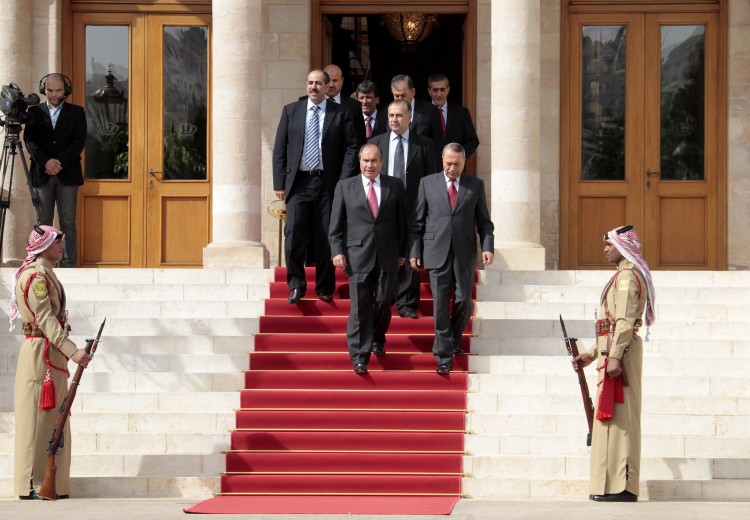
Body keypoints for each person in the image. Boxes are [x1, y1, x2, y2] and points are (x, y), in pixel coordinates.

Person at [572, 225, 656, 503]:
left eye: (609, 244)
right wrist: (593, 354)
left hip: (622, 355)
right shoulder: (621, 275)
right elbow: (611, 326)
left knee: (621, 421)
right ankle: (610, 485)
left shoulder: (626, 278)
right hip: (613, 353)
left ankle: (622, 486)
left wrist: (615, 357)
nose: (605, 249)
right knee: (611, 419)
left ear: (620, 246)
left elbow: (623, 322)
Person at [11, 225, 92, 499]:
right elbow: (45, 319)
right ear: (43, 245)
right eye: (58, 242)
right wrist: (73, 351)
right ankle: (30, 484)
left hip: (49, 352)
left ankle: (53, 484)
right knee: (36, 422)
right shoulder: (37, 277)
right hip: (39, 353)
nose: (62, 247)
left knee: (54, 420)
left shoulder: (46, 274)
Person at [272, 69, 358, 304]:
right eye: (310, 82)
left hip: (328, 184)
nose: (313, 87)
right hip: (298, 183)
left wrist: (344, 180)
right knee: (294, 236)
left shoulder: (341, 113)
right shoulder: (291, 111)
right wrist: (279, 182)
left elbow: (352, 148)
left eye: (318, 83)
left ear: (327, 86)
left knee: (326, 237)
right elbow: (280, 147)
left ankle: (324, 287)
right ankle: (296, 285)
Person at [409, 143, 494, 374]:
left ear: (464, 162)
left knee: (463, 300)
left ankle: (454, 339)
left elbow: (484, 223)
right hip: (435, 251)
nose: (452, 168)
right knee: (439, 304)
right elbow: (417, 222)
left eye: (457, 164)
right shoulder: (427, 183)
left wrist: (488, 247)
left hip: (464, 253)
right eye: (448, 163)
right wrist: (415, 251)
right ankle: (444, 355)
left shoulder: (475, 185)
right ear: (442, 160)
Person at [329, 144, 407, 374]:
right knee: (360, 307)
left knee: (384, 300)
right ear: (359, 162)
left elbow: (402, 222)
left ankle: (377, 337)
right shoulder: (345, 186)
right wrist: (337, 251)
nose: (369, 165)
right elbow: (335, 225)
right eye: (365, 161)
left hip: (388, 254)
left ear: (381, 162)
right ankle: (359, 356)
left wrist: (403, 252)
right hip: (357, 255)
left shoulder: (395, 185)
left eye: (374, 161)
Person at [369, 99, 436, 319]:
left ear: (410, 118)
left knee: (411, 255)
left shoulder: (424, 144)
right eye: (391, 116)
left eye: (399, 115)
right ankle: (384, 297)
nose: (394, 120)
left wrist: (429, 207)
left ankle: (407, 303)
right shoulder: (376, 142)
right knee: (386, 252)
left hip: (413, 206)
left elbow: (431, 178)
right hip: (384, 206)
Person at [24, 73, 87, 268]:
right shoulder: (35, 112)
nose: (53, 94)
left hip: (67, 174)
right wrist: (46, 162)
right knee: (43, 221)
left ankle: (68, 264)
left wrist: (59, 162)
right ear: (44, 89)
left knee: (68, 222)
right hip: (42, 175)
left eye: (58, 90)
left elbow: (78, 142)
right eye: (49, 90)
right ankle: (42, 262)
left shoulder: (77, 112)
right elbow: (29, 141)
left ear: (65, 90)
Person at [426, 73, 479, 167]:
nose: (439, 94)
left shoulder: (461, 113)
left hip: (455, 168)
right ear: (429, 91)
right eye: (435, 90)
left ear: (448, 90)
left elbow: (472, 141)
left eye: (442, 89)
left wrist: (460, 156)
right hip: (429, 168)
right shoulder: (422, 114)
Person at [323, 64, 367, 147]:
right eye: (328, 81)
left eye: (335, 80)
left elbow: (360, 139)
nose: (331, 85)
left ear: (342, 81)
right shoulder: (311, 103)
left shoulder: (354, 106)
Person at [390, 74, 435, 140]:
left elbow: (437, 140)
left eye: (403, 95)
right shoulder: (386, 113)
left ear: (413, 92)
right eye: (397, 96)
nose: (400, 99)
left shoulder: (430, 110)